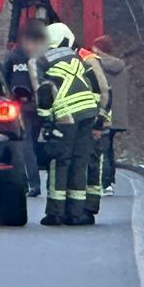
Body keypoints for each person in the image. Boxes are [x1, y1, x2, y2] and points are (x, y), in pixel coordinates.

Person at [35, 21, 101, 226]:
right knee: (79, 160)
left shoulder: (43, 61)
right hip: (88, 113)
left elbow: (45, 92)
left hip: (66, 117)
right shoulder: (77, 58)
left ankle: (55, 213)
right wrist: (98, 115)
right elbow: (95, 85)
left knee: (60, 161)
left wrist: (45, 119)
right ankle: (76, 213)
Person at [6, 20, 49, 197]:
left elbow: (3, 79)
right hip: (34, 107)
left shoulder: (14, 56)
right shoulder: (42, 57)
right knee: (30, 145)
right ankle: (33, 182)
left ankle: (32, 183)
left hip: (24, 107)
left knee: (27, 146)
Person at [86, 36, 128, 194]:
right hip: (118, 115)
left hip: (105, 114)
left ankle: (104, 182)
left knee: (102, 149)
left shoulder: (97, 65)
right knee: (109, 147)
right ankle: (110, 180)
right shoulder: (120, 66)